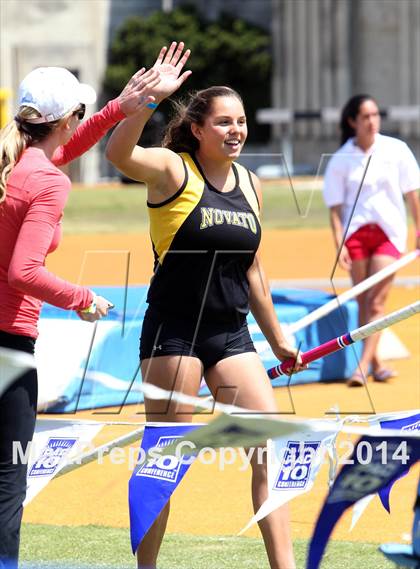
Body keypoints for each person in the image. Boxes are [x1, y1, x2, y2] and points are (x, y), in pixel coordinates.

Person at [106, 42, 305, 569]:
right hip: (174, 332)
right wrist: (146, 102)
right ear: (198, 129)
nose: (235, 130)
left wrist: (279, 337)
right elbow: (119, 156)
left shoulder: (251, 184)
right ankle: (146, 566)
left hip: (231, 333)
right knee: (166, 463)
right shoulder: (173, 172)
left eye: (240, 121)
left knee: (269, 449)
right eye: (223, 122)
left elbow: (254, 271)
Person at [0, 64, 159, 568]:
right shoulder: (46, 179)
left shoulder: (13, 162)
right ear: (68, 118)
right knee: (8, 477)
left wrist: (120, 109)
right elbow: (24, 271)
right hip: (7, 342)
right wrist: (81, 297)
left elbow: (63, 150)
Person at [323, 94, 420, 387]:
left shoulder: (396, 150)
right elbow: (336, 208)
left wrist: (418, 231)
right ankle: (377, 361)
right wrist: (339, 243)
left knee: (377, 301)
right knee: (363, 300)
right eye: (365, 116)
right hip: (355, 235)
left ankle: (362, 366)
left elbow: (412, 193)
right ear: (352, 121)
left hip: (388, 234)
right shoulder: (341, 159)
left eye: (375, 115)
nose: (372, 121)